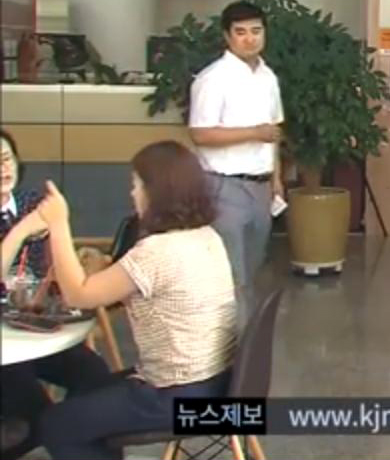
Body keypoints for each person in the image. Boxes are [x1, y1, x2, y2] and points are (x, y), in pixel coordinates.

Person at [34, 141, 238, 460]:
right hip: (220, 383)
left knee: (57, 423)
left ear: (157, 192)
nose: (132, 193)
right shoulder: (207, 236)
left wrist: (59, 224)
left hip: (174, 394)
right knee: (88, 390)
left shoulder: (156, 252)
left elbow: (79, 295)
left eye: (137, 185)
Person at [1, 130, 113, 460]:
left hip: (34, 322)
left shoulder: (32, 203)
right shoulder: (30, 217)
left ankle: (79, 442)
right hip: (5, 344)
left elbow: (55, 263)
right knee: (31, 403)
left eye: (7, 159)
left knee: (93, 373)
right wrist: (22, 230)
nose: (3, 168)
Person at [188, 1, 283, 325]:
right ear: (227, 37)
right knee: (232, 276)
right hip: (223, 185)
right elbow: (200, 134)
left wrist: (276, 180)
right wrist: (253, 133)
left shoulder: (268, 77)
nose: (250, 38)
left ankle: (243, 339)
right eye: (240, 32)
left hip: (260, 186)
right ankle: (233, 346)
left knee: (251, 271)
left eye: (256, 31)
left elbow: (274, 132)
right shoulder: (213, 78)